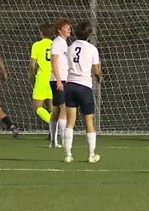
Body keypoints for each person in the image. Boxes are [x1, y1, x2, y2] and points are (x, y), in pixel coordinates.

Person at [63, 21, 104, 163]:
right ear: (89, 34)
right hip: (84, 86)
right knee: (89, 121)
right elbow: (96, 70)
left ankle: (68, 154)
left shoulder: (70, 47)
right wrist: (99, 78)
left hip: (70, 85)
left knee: (70, 121)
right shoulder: (92, 49)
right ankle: (91, 155)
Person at [49, 18, 72, 148]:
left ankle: (53, 141)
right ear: (59, 30)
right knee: (64, 108)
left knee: (57, 110)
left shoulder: (64, 43)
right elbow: (54, 62)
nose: (69, 29)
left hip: (63, 78)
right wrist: (58, 80)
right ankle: (63, 140)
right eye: (66, 27)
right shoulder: (57, 43)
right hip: (59, 79)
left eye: (69, 27)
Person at [28, 24, 54, 127]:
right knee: (52, 108)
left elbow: (32, 65)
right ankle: (53, 134)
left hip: (42, 78)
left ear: (41, 33)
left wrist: (31, 77)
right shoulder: (55, 45)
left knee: (37, 107)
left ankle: (54, 126)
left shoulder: (37, 45)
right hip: (54, 78)